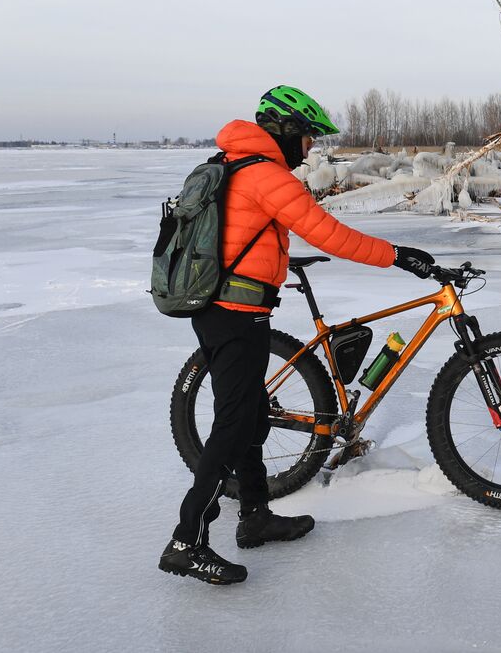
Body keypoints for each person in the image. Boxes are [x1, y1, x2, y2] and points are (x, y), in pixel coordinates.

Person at [159, 85, 436, 585]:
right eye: (307, 136)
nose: (311, 147)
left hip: (233, 310)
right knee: (234, 424)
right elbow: (329, 234)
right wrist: (399, 256)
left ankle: (255, 516)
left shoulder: (235, 162)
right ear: (285, 131)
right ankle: (186, 541)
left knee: (249, 415)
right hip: (233, 311)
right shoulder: (265, 175)